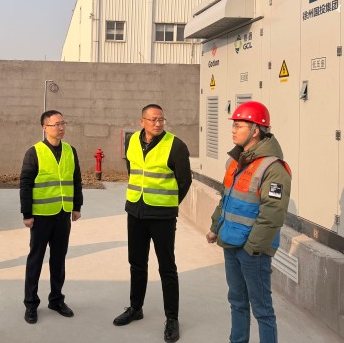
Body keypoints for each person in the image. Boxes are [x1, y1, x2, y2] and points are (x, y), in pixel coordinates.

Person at [206, 101, 291, 343]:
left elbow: (273, 213)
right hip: (231, 241)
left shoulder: (274, 168)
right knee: (237, 302)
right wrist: (215, 227)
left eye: (239, 125)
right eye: (233, 125)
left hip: (253, 251)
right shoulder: (235, 161)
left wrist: (252, 248)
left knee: (262, 310)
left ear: (255, 130)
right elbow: (226, 198)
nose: (233, 130)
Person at [113, 104, 192, 343]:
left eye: (161, 119)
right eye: (153, 120)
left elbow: (184, 181)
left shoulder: (176, 145)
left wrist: (168, 204)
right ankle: (135, 308)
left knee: (167, 267)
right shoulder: (132, 142)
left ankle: (172, 319)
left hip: (162, 217)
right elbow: (133, 171)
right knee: (137, 263)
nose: (158, 124)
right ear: (142, 122)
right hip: (135, 212)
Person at [20, 110, 83, 325]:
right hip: (41, 216)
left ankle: (56, 300)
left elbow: (76, 180)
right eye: (56, 124)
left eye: (63, 123)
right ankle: (30, 304)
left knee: (59, 260)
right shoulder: (34, 152)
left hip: (63, 214)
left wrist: (77, 206)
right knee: (36, 260)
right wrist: (27, 213)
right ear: (44, 127)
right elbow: (26, 184)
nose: (61, 127)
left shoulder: (70, 151)